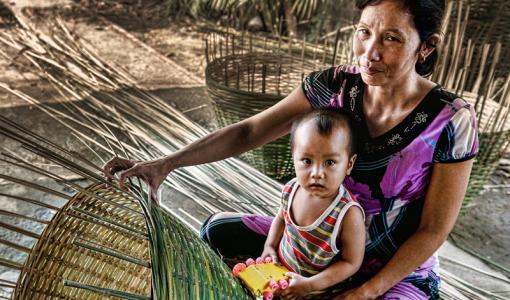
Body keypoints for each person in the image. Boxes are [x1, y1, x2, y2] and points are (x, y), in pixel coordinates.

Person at [103, 0, 479, 298]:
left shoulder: (451, 120)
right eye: (364, 32)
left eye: (391, 39)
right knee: (218, 232)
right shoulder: (332, 87)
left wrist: (365, 292)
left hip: (390, 273)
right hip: (317, 247)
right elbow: (250, 130)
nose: (370, 52)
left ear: (426, 47)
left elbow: (432, 230)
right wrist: (166, 164)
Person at [258, 108, 365, 299]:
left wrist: (308, 285)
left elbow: (351, 263)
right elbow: (281, 218)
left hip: (315, 292)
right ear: (294, 159)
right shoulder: (291, 189)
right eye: (306, 160)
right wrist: (269, 246)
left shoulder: (347, 214)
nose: (317, 173)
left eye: (330, 162)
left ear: (349, 164)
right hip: (279, 278)